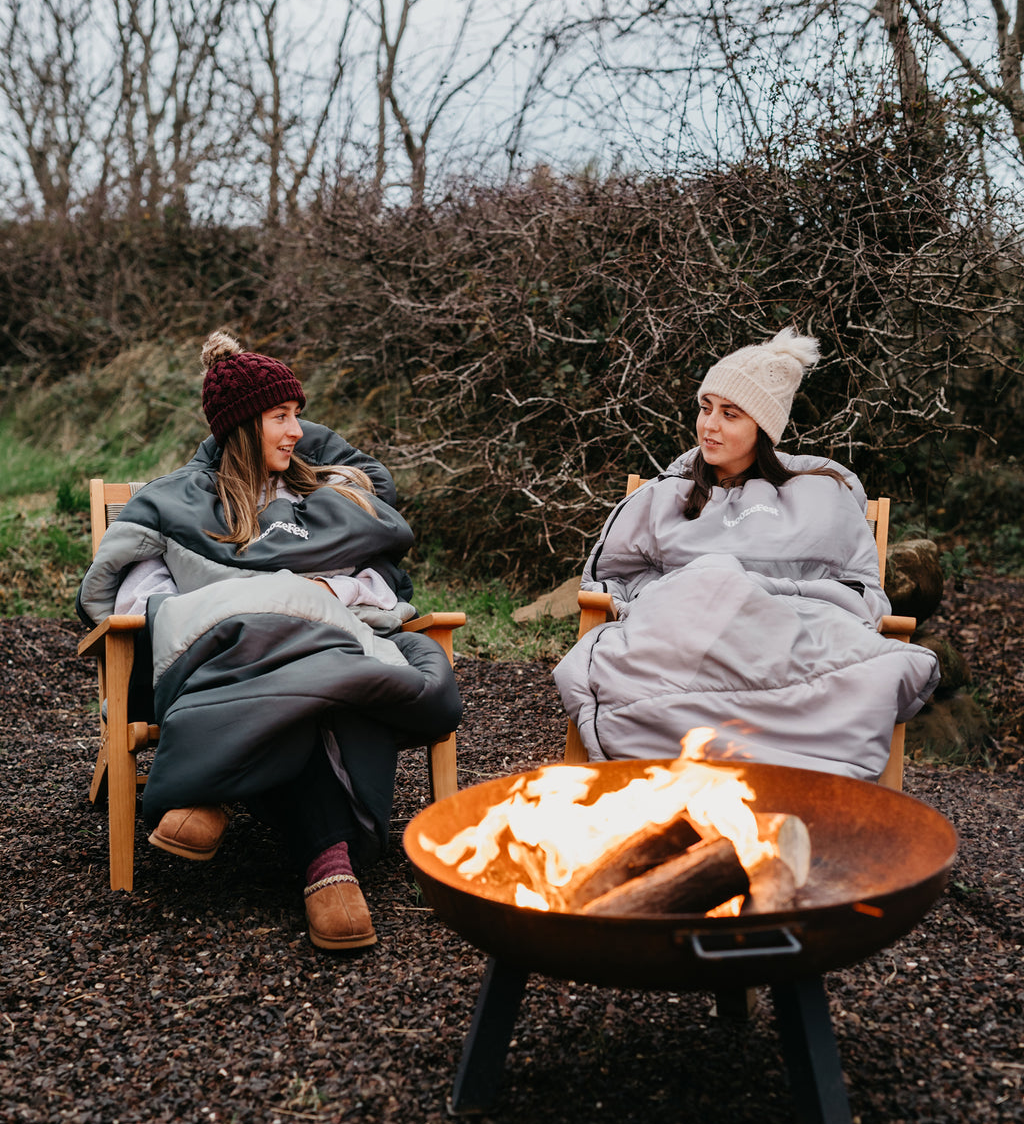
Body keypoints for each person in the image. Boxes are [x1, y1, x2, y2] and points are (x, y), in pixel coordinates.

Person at [77, 331, 462, 950]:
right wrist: (248, 602)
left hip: (321, 645)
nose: (298, 431)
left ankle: (211, 785)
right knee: (296, 679)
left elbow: (375, 585)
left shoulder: (319, 497)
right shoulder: (182, 503)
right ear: (240, 426)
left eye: (298, 415)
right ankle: (328, 865)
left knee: (311, 671)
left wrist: (321, 596)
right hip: (228, 655)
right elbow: (143, 601)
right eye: (280, 417)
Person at [554, 328, 940, 779]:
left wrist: (771, 596)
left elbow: (860, 589)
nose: (709, 425)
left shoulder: (821, 497)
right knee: (702, 589)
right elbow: (610, 577)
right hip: (687, 634)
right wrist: (681, 597)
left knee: (857, 666)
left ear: (763, 426)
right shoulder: (665, 496)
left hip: (791, 633)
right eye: (705, 408)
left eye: (730, 413)